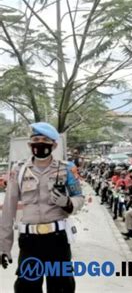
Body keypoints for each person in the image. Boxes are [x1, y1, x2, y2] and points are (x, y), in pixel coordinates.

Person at [0, 122, 85, 292]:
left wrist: (68, 204)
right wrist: (4, 247)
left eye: (45, 140)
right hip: (29, 242)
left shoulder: (66, 169)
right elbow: (8, 211)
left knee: (61, 287)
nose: (40, 143)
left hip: (58, 240)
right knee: (26, 288)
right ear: (30, 145)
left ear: (54, 145)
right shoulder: (19, 171)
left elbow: (79, 198)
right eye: (36, 139)